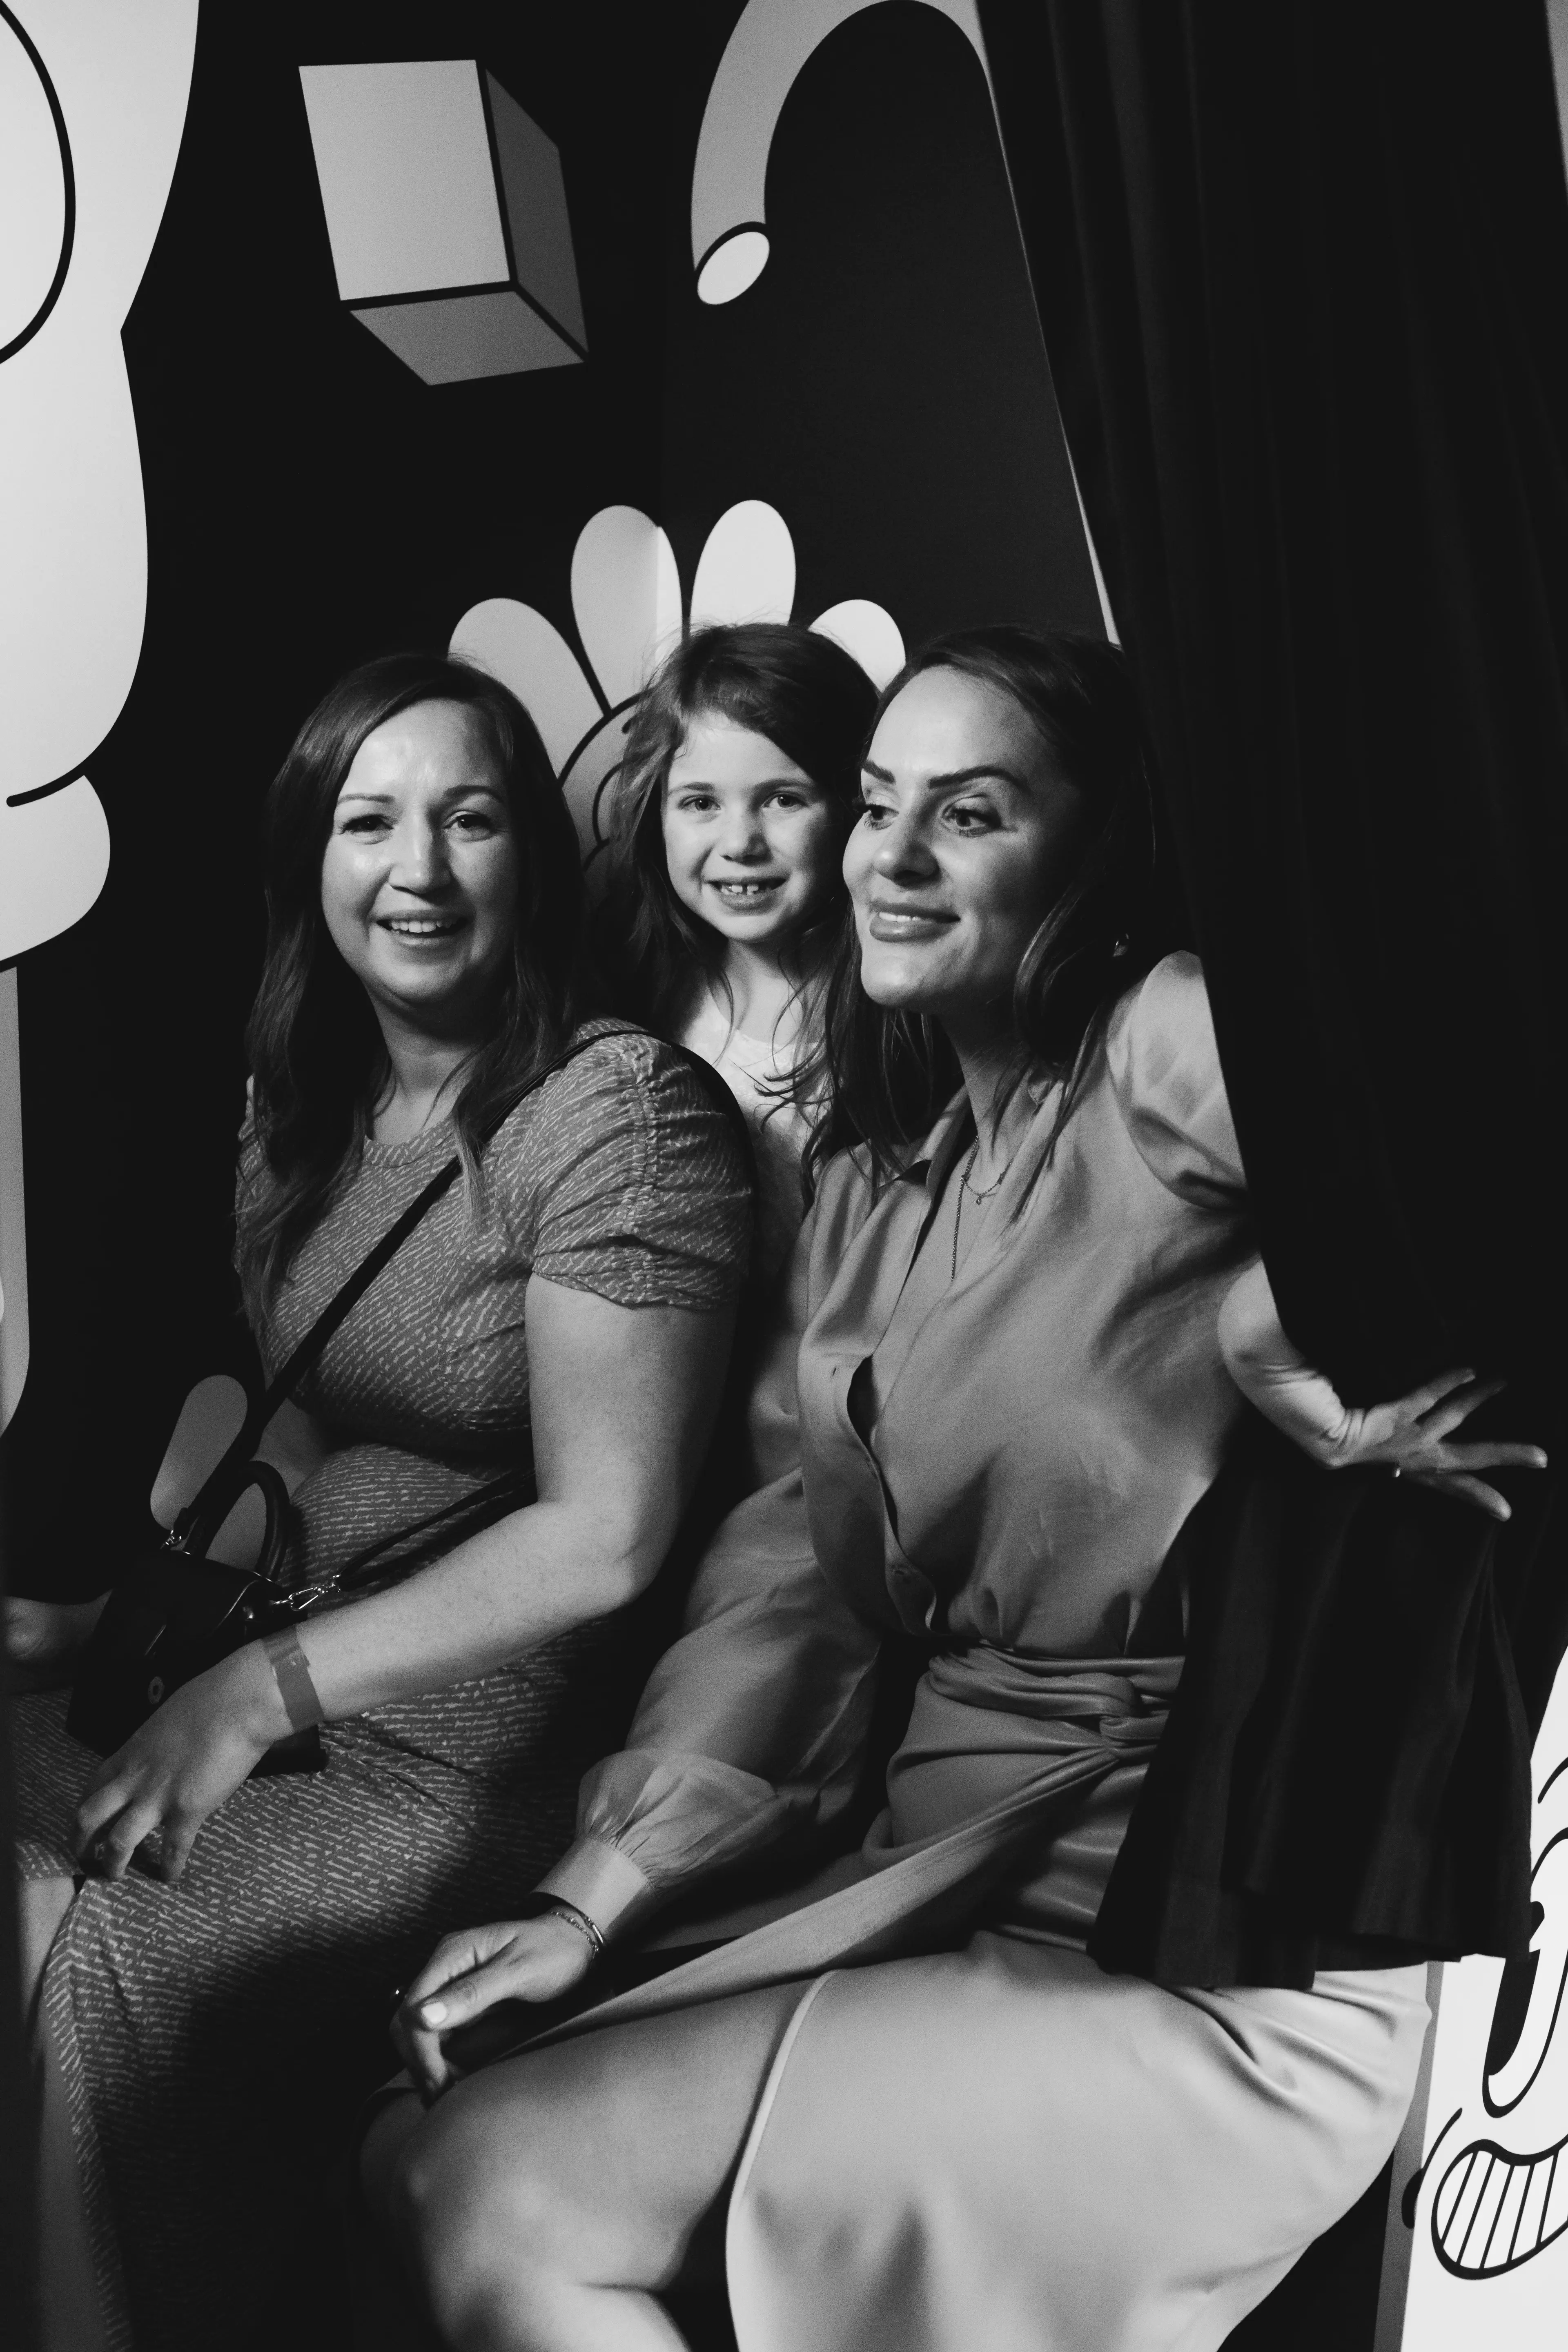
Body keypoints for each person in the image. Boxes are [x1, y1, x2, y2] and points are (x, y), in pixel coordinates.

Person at [362, 628, 1546, 2352]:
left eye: (972, 814)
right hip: (936, 1862)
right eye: (879, 803)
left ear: (1096, 854)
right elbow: (798, 1591)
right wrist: (590, 1892)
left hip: (1191, 1924)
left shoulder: (1156, 1037)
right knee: (411, 2138)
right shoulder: (874, 1187)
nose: (891, 858)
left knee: (502, 2188)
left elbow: (1457, 1148)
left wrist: (1268, 1309)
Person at [5, 653, 752, 2352]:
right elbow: (299, 1451)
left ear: (531, 857)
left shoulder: (619, 1115)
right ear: (312, 862)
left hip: (471, 1758)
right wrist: (108, 1625)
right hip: (278, 1685)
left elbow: (608, 1535)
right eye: (369, 822)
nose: (418, 868)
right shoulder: (306, 1104)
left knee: (95, 1930)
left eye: (468, 819)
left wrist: (248, 1698)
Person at [600, 623, 877, 1289]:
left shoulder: (890, 1018)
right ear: (656, 816)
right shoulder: (638, 996)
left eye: (783, 799)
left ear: (853, 808)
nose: (740, 843)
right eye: (701, 803)